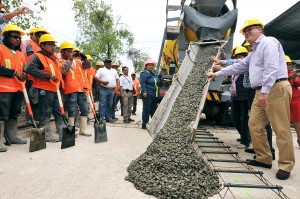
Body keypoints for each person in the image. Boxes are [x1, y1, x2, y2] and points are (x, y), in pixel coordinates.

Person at [208, 19, 294, 180]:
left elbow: (272, 67)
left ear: (260, 30)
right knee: (254, 124)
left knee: (281, 129)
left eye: (250, 29)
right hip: (261, 91)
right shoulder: (253, 52)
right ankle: (264, 158)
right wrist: (217, 73)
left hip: (274, 88)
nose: (247, 33)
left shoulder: (268, 43)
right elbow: (239, 66)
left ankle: (286, 165)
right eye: (245, 32)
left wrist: (265, 92)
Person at [26, 34, 66, 142]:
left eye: (53, 45)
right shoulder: (37, 56)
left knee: (59, 112)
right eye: (50, 45)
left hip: (55, 89)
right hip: (44, 88)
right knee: (45, 112)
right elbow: (30, 69)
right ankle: (47, 135)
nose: (53, 47)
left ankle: (62, 133)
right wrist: (47, 76)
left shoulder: (54, 58)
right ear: (42, 45)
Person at [212, 46, 251, 149]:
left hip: (244, 95)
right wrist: (221, 63)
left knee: (244, 118)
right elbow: (233, 67)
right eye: (238, 56)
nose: (240, 58)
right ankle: (244, 135)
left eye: (242, 56)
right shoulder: (237, 66)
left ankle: (245, 141)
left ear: (246, 56)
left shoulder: (246, 65)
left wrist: (221, 67)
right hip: (235, 95)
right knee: (234, 117)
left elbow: (236, 67)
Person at [0, 24, 27, 152]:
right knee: (1, 115)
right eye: (15, 37)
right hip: (3, 89)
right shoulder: (0, 49)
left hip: (18, 89)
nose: (18, 40)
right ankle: (0, 140)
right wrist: (14, 73)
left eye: (19, 38)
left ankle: (12, 136)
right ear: (6, 37)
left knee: (14, 114)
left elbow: (23, 70)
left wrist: (24, 75)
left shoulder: (20, 55)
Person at [63, 46, 91, 136]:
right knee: (72, 109)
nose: (73, 53)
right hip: (71, 89)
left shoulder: (79, 62)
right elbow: (65, 71)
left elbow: (88, 66)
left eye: (73, 52)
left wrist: (84, 58)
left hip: (81, 88)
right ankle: (71, 130)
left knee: (84, 108)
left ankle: (83, 130)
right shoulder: (63, 61)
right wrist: (71, 58)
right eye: (70, 51)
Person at [95, 59, 120, 123]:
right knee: (102, 103)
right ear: (104, 63)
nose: (109, 64)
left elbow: (117, 79)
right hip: (103, 89)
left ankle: (108, 118)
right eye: (107, 63)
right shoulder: (101, 70)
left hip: (112, 90)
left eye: (109, 63)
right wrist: (103, 82)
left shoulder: (114, 70)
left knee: (110, 104)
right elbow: (96, 78)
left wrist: (118, 86)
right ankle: (101, 118)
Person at [140, 58, 160, 129]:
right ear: (146, 66)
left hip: (154, 95)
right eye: (149, 65)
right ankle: (144, 123)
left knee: (154, 109)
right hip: (148, 94)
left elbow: (158, 81)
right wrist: (144, 91)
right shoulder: (144, 73)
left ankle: (154, 123)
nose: (151, 66)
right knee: (146, 109)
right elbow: (143, 83)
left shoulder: (154, 74)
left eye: (152, 65)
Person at [286, 55, 300, 147]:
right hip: (284, 100)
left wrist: (295, 79)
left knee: (297, 120)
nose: (290, 66)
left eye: (290, 64)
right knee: (284, 121)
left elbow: (298, 83)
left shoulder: (293, 73)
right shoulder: (280, 75)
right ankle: (287, 141)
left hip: (294, 99)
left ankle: (299, 138)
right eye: (287, 64)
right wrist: (289, 78)